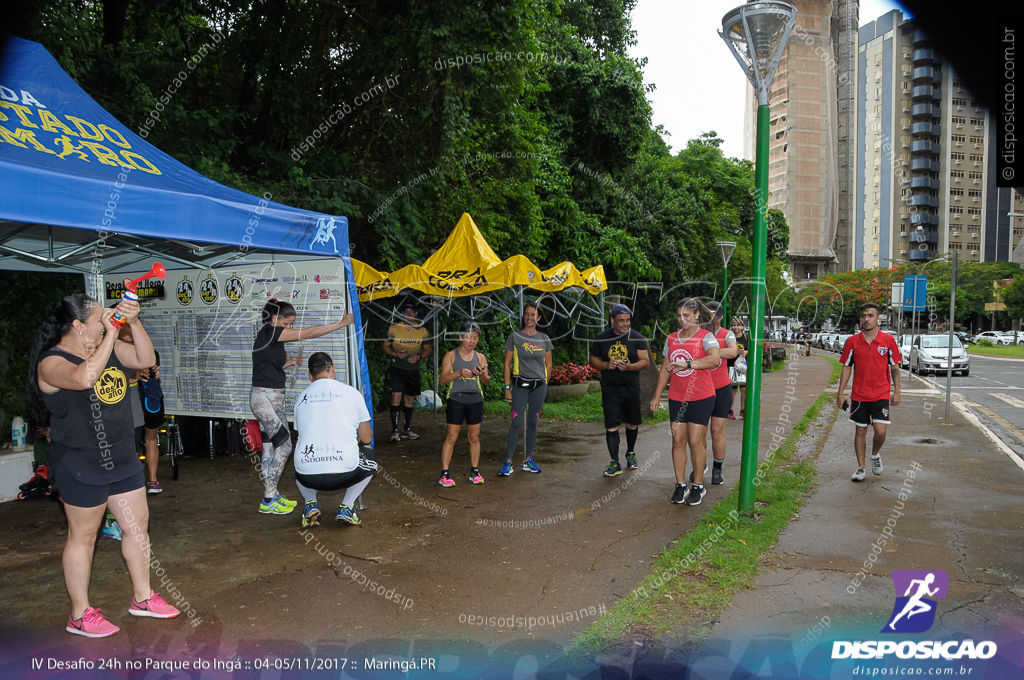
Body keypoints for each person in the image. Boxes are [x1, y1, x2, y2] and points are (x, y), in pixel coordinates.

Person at [29, 293, 179, 638]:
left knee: (137, 527)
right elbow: (85, 378)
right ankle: (79, 614)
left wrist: (134, 321)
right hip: (81, 461)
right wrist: (111, 334)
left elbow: (146, 357)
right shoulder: (50, 363)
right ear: (78, 326)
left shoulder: (110, 348)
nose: (108, 321)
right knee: (83, 536)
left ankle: (142, 598)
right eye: (101, 318)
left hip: (123, 455)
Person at [251, 298, 354, 515]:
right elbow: (309, 332)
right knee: (286, 445)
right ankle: (269, 498)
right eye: (287, 324)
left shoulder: (269, 335)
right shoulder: (271, 332)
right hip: (264, 398)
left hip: (271, 397)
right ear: (275, 318)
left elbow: (267, 363)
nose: (289, 328)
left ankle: (272, 494)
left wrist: (287, 364)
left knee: (271, 446)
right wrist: (340, 324)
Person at [649, 298, 720, 506]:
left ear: (697, 315)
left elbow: (714, 359)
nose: (682, 319)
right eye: (679, 315)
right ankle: (680, 485)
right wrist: (656, 395)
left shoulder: (706, 337)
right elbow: (664, 369)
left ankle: (698, 485)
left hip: (702, 396)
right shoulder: (671, 339)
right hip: (677, 397)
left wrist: (688, 363)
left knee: (695, 441)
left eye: (686, 315)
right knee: (678, 440)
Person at [292, 352, 376, 527]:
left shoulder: (301, 398)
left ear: (310, 375)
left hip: (307, 475)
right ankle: (347, 506)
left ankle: (310, 504)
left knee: (301, 460)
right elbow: (366, 437)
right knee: (370, 458)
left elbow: (302, 433)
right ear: (333, 369)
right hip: (344, 473)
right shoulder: (352, 393)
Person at [836, 303, 901, 482]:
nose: (867, 319)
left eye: (871, 315)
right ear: (860, 319)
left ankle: (875, 455)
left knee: (880, 432)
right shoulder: (852, 342)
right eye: (864, 316)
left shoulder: (888, 340)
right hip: (859, 394)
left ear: (878, 319)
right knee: (860, 431)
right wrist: (841, 392)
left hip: (881, 393)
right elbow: (846, 367)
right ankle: (861, 467)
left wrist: (897, 391)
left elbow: (894, 367)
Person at [589, 304, 650, 477]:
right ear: (612, 320)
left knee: (632, 423)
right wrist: (605, 365)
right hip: (610, 389)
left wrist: (631, 367)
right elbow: (592, 359)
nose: (625, 324)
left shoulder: (636, 337)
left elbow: (645, 361)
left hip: (631, 388)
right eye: (621, 320)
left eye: (628, 320)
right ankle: (614, 462)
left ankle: (630, 453)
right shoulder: (602, 337)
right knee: (612, 426)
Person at [501, 301, 553, 476]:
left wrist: (545, 383)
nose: (529, 317)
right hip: (520, 385)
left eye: (533, 314)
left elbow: (549, 364)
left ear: (538, 317)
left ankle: (528, 459)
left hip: (539, 387)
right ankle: (508, 461)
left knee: (533, 422)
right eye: (527, 314)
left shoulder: (544, 339)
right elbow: (507, 364)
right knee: (516, 422)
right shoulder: (515, 337)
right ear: (523, 316)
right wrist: (507, 388)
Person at [438, 322, 490, 486]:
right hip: (456, 399)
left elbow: (487, 381)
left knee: (474, 437)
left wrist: (481, 375)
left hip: (475, 399)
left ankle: (474, 471)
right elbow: (443, 379)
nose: (472, 341)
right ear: (461, 337)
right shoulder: (451, 355)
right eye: (468, 337)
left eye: (475, 338)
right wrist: (459, 373)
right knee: (452, 437)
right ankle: (444, 474)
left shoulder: (480, 357)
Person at [383, 301, 432, 442]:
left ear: (416, 314)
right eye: (406, 312)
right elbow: (385, 346)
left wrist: (419, 356)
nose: (408, 314)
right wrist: (394, 354)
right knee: (396, 397)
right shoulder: (394, 328)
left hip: (413, 370)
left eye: (411, 312)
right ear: (402, 313)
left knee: (409, 399)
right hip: (396, 368)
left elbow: (428, 349)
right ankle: (394, 431)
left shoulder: (422, 330)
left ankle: (406, 429)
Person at [700, 301, 737, 486]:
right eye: (707, 314)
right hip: (700, 389)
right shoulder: (698, 334)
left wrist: (712, 352)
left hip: (721, 388)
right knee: (699, 433)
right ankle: (700, 466)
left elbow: (733, 351)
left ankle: (717, 469)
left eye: (713, 314)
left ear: (720, 317)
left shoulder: (726, 334)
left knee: (716, 431)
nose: (710, 318)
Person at [138, 352, 164, 493]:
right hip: (151, 401)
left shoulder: (115, 350)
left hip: (146, 401)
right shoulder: (151, 352)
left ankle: (146, 482)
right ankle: (152, 482)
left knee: (141, 441)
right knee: (150, 439)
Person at [729, 317, 749, 419]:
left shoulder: (746, 337)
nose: (736, 327)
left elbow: (750, 349)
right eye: (734, 325)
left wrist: (746, 352)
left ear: (742, 326)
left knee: (744, 388)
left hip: (742, 366)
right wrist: (736, 352)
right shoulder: (730, 337)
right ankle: (730, 410)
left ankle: (743, 409)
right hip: (731, 365)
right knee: (732, 388)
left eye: (738, 325)